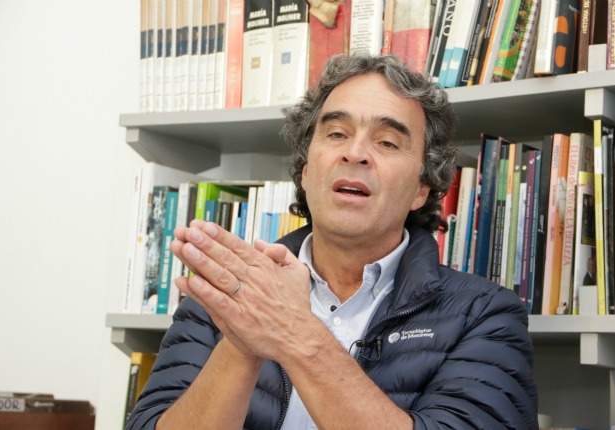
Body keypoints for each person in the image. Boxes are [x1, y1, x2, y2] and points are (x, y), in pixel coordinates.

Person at [125, 54, 538, 430]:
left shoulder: (486, 315)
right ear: (306, 172)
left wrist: (296, 333)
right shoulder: (222, 299)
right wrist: (241, 343)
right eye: (337, 133)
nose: (355, 153)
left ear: (422, 188)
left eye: (387, 142)